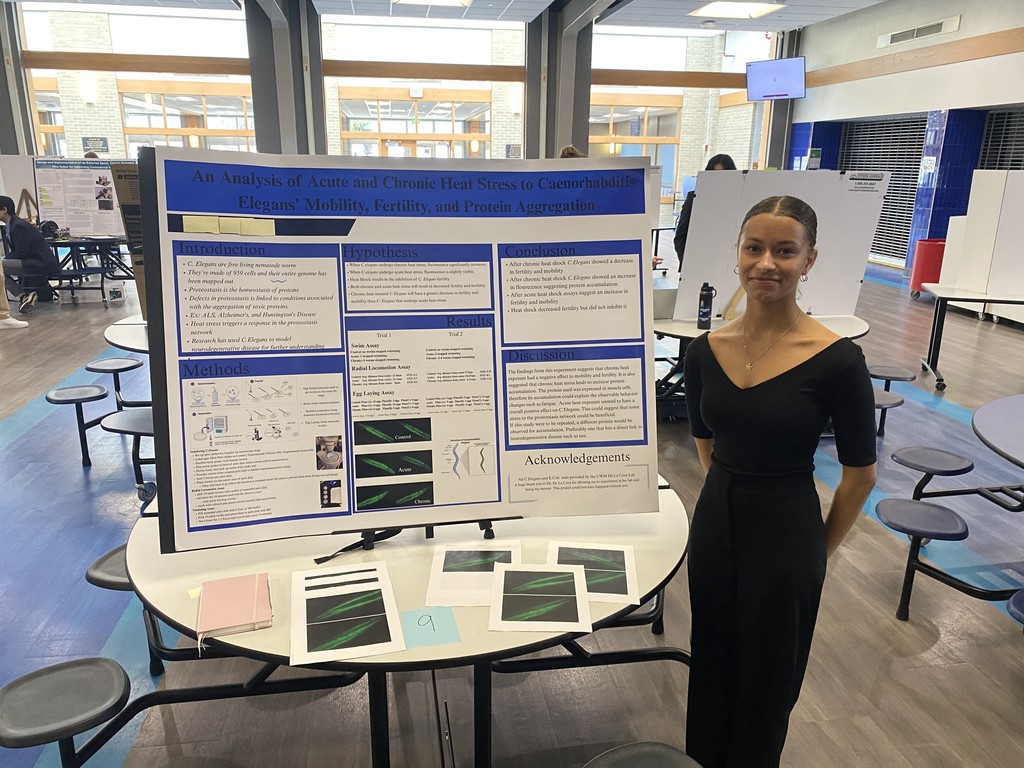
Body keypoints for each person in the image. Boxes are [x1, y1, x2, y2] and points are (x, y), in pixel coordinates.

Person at [682, 195, 877, 768]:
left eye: (785, 251)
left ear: (809, 260)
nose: (767, 263)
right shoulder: (704, 351)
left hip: (789, 528)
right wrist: (727, 496)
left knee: (768, 679)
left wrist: (816, 550)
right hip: (716, 523)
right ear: (738, 254)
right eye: (755, 248)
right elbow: (705, 442)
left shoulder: (837, 360)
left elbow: (860, 477)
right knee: (711, 661)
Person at [673, 153, 737, 270]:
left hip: (728, 265)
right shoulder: (695, 198)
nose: (719, 180)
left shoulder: (737, 200)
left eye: (724, 175)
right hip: (698, 264)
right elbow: (680, 236)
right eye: (714, 175)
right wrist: (686, 264)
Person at [0, 195, 60, 314]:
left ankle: (22, 295)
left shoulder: (18, 226)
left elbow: (22, 251)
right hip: (32, 261)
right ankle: (24, 296)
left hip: (40, 263)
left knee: (0, 267)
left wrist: (5, 260)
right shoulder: (13, 225)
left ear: (4, 210)